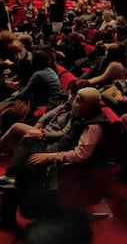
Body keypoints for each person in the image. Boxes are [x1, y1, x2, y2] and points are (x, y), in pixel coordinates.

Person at [0, 87, 108, 223]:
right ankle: (11, 176)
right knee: (27, 140)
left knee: (24, 173)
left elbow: (81, 154)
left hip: (58, 156)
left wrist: (49, 157)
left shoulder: (93, 127)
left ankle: (14, 210)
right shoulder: (81, 113)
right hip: (54, 146)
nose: (74, 101)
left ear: (90, 105)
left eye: (79, 100)